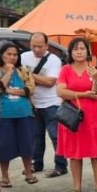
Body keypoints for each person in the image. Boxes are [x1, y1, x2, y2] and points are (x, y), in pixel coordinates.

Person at [56, 37, 97, 192]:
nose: (79, 51)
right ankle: (76, 187)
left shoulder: (95, 69)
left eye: (82, 48)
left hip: (93, 116)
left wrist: (95, 80)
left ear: (88, 51)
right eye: (75, 49)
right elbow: (60, 92)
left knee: (96, 153)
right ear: (70, 52)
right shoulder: (65, 69)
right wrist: (82, 94)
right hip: (72, 116)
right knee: (75, 153)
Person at [0, 42, 37, 188]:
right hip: (2, 114)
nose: (12, 57)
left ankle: (29, 173)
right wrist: (8, 73)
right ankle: (5, 176)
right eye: (9, 54)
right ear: (1, 55)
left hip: (24, 113)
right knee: (3, 146)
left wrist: (11, 91)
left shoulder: (23, 70)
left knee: (26, 144)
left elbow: (31, 88)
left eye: (15, 55)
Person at [21, 31, 67, 178]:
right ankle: (37, 163)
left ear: (47, 46)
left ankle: (61, 165)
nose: (36, 50)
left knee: (55, 135)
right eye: (33, 46)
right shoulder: (23, 57)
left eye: (40, 47)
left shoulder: (54, 60)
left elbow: (50, 82)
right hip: (33, 103)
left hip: (51, 103)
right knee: (35, 136)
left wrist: (27, 75)